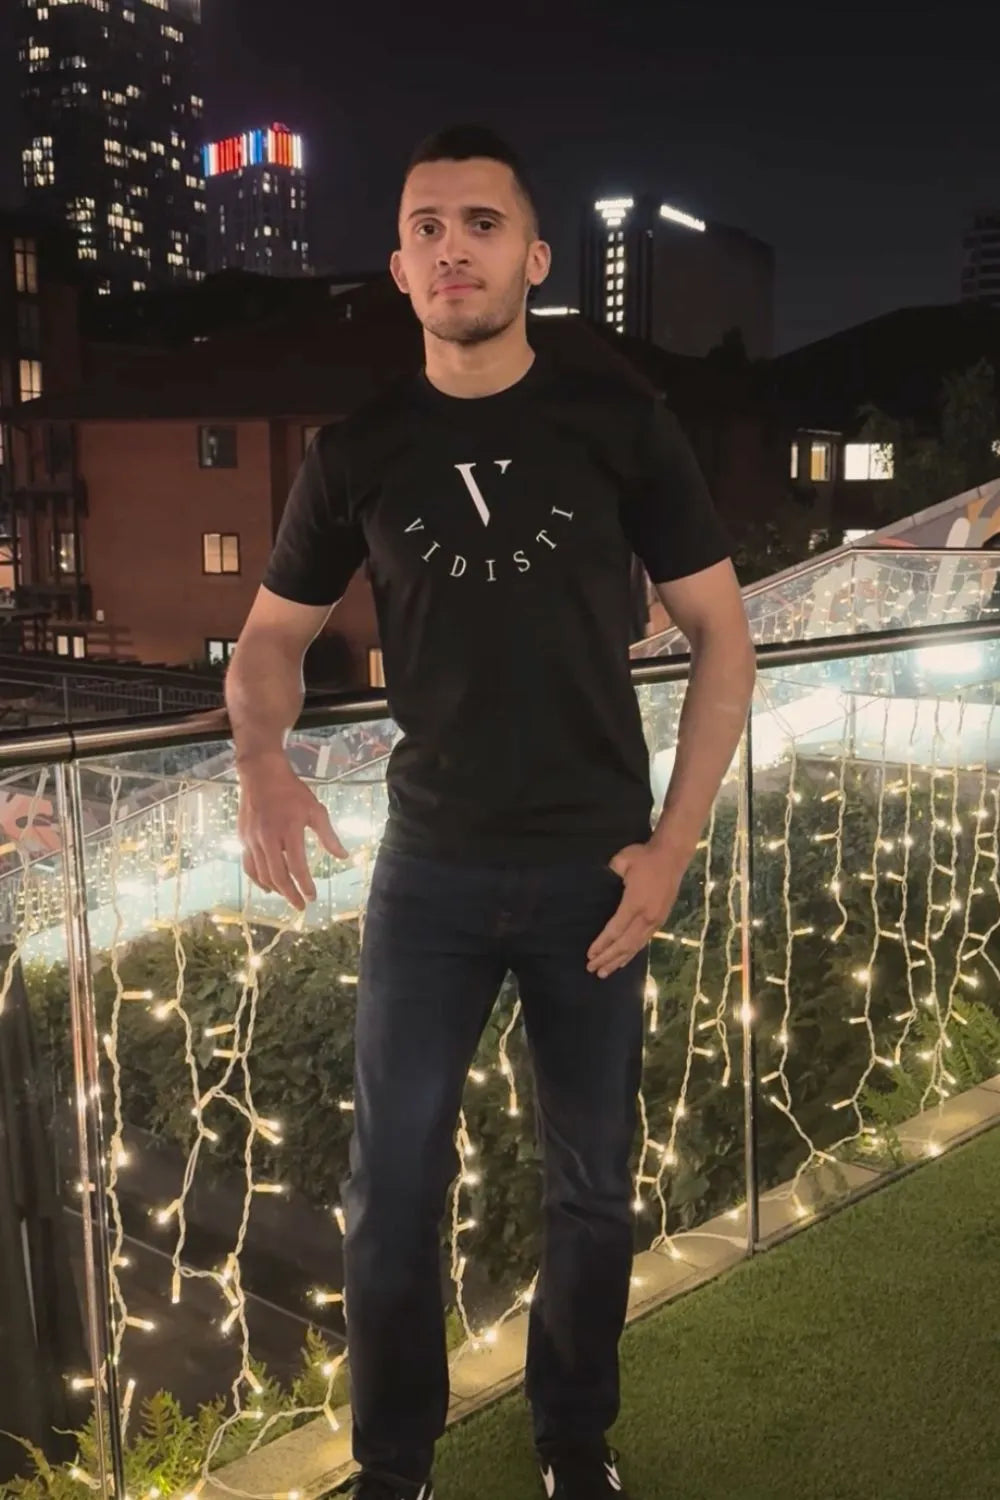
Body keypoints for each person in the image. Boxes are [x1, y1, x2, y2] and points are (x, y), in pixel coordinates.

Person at [226, 125, 756, 1500]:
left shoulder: (620, 423)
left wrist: (674, 845)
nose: (451, 247)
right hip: (432, 875)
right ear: (400, 268)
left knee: (591, 1181)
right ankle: (393, 1464)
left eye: (480, 223)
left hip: (597, 870)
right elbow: (271, 636)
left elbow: (724, 635)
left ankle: (573, 1440)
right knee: (391, 1190)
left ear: (533, 258)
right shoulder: (360, 450)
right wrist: (261, 759)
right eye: (426, 228)